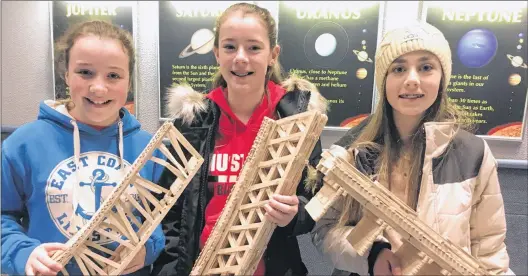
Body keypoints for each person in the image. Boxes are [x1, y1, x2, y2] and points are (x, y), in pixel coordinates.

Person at [310, 21, 513, 276]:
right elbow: (325, 230)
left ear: (442, 76)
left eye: (426, 67)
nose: (412, 80)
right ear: (384, 80)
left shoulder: (473, 154)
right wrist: (371, 256)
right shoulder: (354, 150)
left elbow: (489, 249)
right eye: (399, 69)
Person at [151, 3, 328, 276]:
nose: (241, 58)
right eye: (230, 47)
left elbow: (317, 201)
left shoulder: (297, 121)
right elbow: (170, 211)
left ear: (273, 54)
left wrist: (296, 214)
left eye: (254, 47)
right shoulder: (193, 123)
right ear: (217, 54)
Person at [1, 20, 165, 276]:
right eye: (85, 72)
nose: (99, 87)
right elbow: (3, 215)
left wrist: (150, 246)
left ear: (129, 82)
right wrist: (21, 252)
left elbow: (162, 219)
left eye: (113, 75)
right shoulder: (23, 144)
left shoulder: (149, 148)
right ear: (66, 74)